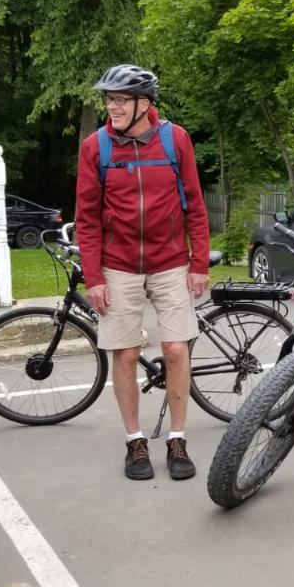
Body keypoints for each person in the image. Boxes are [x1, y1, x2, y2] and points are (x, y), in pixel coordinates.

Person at [75, 64, 210, 481]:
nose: (110, 107)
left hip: (170, 262)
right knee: (126, 353)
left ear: (144, 104)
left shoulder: (175, 140)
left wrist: (199, 263)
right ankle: (135, 440)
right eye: (109, 99)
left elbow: (196, 205)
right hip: (117, 266)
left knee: (175, 350)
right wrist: (94, 277)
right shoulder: (95, 148)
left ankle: (177, 437)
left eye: (118, 100)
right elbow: (88, 219)